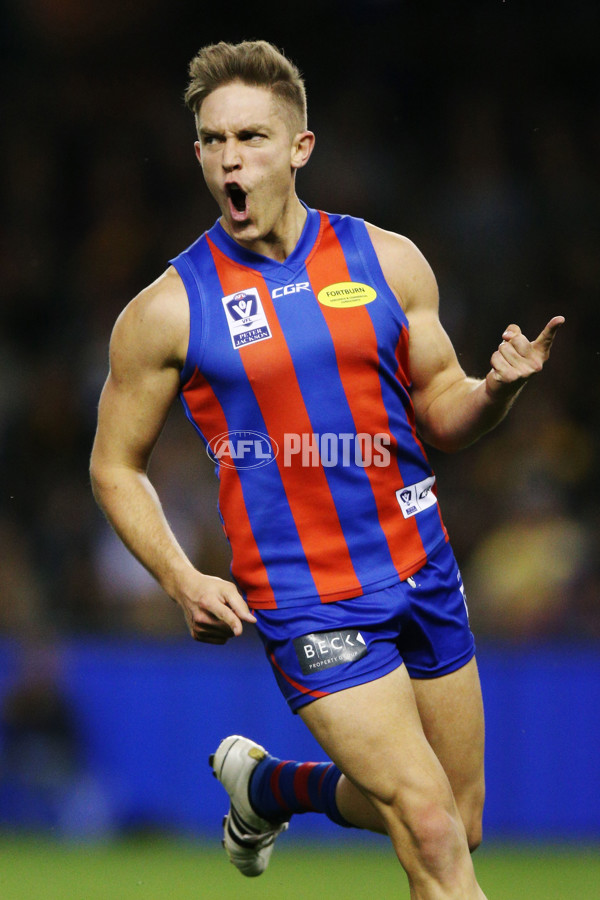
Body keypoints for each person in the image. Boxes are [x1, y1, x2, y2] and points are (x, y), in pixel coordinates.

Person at [90, 39, 564, 900]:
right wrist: (180, 577)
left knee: (460, 823)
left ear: (301, 148)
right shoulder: (167, 310)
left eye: (253, 137)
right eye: (212, 140)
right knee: (427, 827)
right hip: (306, 598)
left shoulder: (387, 260)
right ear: (197, 151)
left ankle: (269, 788)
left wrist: (495, 391)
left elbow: (444, 412)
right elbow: (115, 468)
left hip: (423, 568)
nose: (230, 158)